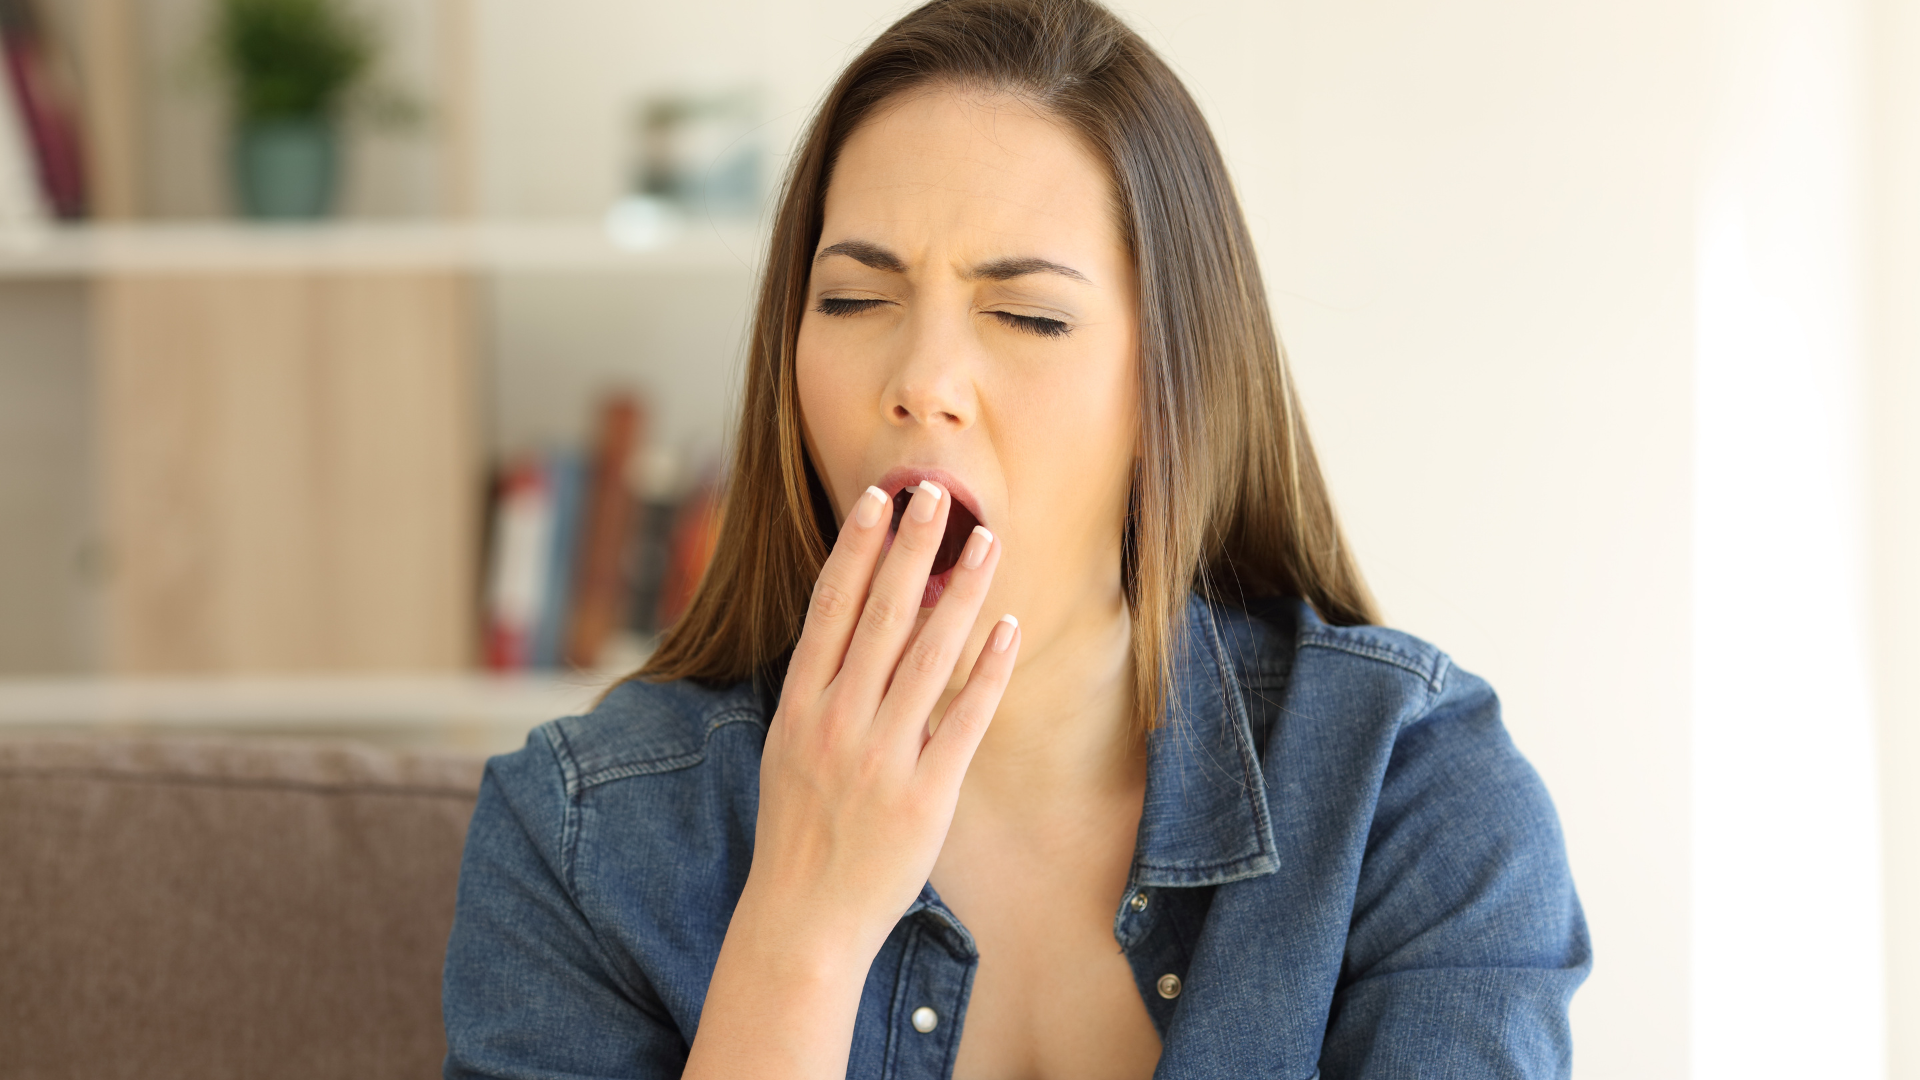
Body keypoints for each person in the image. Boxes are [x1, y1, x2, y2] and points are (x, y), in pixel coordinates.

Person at [441, 0, 1590, 1076]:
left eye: (1030, 315)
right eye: (853, 299)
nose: (924, 381)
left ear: (1169, 392)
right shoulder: (581, 831)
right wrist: (802, 935)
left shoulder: (1415, 795)